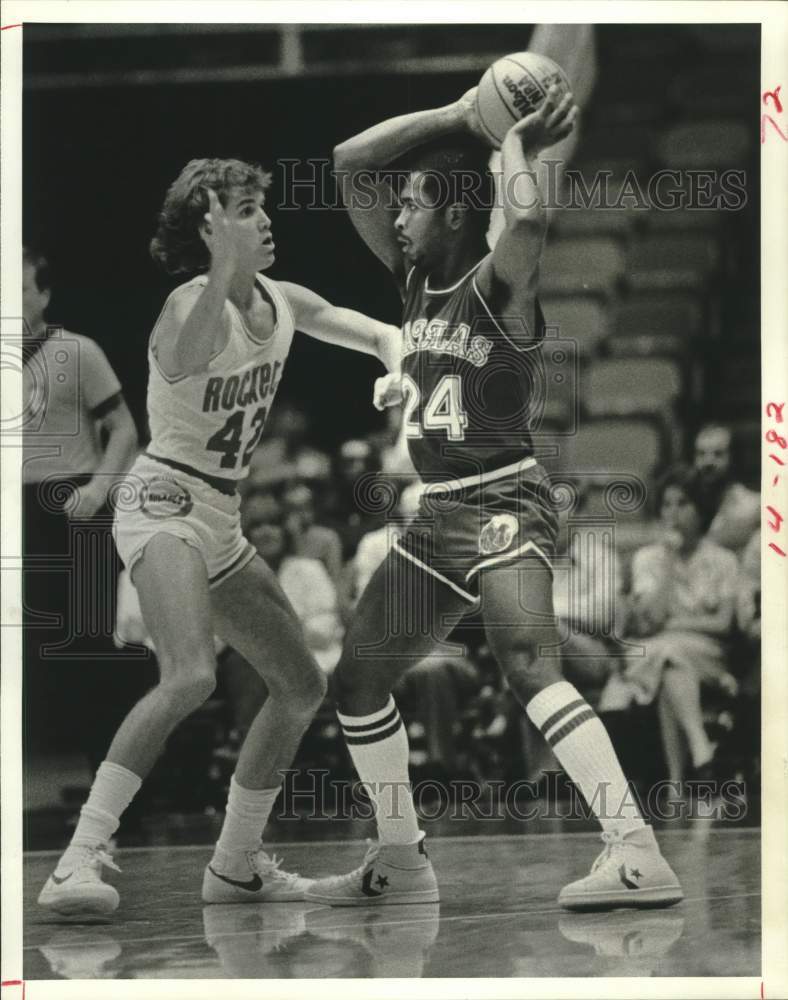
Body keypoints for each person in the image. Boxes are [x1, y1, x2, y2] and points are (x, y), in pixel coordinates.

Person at [304, 88, 683, 910]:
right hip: (439, 513)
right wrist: (461, 112)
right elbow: (349, 163)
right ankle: (400, 856)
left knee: (525, 665)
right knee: (358, 683)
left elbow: (529, 227)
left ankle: (635, 847)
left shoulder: (495, 287)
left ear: (452, 217)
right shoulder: (411, 283)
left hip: (506, 496)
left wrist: (510, 146)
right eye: (399, 205)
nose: (397, 215)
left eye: (413, 204)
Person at [38, 156, 400, 916]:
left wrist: (398, 365)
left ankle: (236, 864)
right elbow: (192, 349)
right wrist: (220, 265)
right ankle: (77, 858)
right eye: (245, 209)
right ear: (209, 229)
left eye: (262, 207)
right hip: (162, 496)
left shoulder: (284, 300)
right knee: (191, 675)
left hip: (222, 515)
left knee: (301, 687)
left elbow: (374, 331)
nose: (266, 219)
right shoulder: (184, 309)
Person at [22, 247, 139, 760]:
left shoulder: (79, 351)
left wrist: (100, 486)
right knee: (26, 647)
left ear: (43, 295)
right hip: (17, 511)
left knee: (89, 642)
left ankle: (110, 782)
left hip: (77, 508)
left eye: (20, 288)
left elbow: (124, 430)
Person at [609, 466, 739, 783]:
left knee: (666, 652)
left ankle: (677, 780)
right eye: (667, 505)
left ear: (701, 509)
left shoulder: (724, 560)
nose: (673, 513)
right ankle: (700, 752)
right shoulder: (647, 559)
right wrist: (668, 563)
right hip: (663, 651)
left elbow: (723, 624)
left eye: (683, 504)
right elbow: (650, 620)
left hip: (706, 653)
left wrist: (675, 624)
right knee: (670, 663)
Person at [693, 423, 759, 555]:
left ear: (733, 458)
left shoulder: (751, 506)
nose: (708, 462)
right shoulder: (687, 502)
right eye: (701, 454)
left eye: (718, 454)